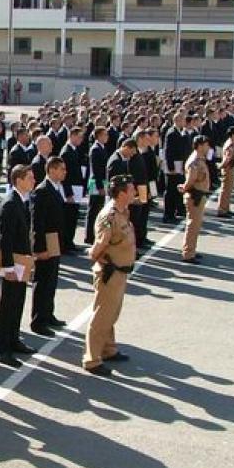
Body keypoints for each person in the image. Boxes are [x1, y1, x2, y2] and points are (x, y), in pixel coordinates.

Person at [83, 174, 136, 377]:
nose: (134, 192)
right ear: (121, 193)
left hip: (120, 271)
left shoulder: (123, 211)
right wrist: (96, 256)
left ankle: (108, 348)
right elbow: (99, 245)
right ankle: (92, 359)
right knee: (101, 317)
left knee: (112, 313)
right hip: (110, 272)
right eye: (131, 189)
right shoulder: (110, 216)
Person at [0, 165, 38, 368]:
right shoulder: (10, 203)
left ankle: (14, 340)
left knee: (18, 301)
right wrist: (8, 267)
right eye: (30, 178)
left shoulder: (21, 201)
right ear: (19, 180)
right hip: (13, 262)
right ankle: (3, 349)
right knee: (8, 305)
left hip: (22, 260)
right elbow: (6, 239)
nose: (33, 181)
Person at [30, 157, 67, 336]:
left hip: (55, 239)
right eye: (61, 169)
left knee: (51, 280)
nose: (64, 172)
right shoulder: (42, 190)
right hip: (46, 241)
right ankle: (38, 320)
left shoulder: (56, 187)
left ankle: (48, 313)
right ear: (51, 170)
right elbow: (38, 222)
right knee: (43, 281)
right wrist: (40, 248)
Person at [180, 136, 212, 264]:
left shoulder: (200, 159)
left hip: (199, 194)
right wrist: (184, 188)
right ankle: (188, 253)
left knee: (196, 225)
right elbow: (191, 180)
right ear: (199, 146)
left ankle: (191, 249)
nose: (208, 147)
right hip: (195, 196)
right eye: (206, 145)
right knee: (193, 225)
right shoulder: (194, 161)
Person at [59, 127, 85, 252]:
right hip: (70, 189)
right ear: (72, 136)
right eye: (79, 137)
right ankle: (65, 244)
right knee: (68, 217)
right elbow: (65, 175)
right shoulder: (66, 152)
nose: (81, 139)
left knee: (73, 216)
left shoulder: (74, 150)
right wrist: (68, 193)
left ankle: (70, 241)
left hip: (76, 188)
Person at [84, 127, 109, 244]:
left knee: (99, 208)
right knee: (93, 209)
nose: (107, 137)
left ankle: (95, 233)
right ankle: (89, 236)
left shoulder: (102, 148)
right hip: (95, 182)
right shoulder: (95, 149)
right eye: (105, 134)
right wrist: (100, 187)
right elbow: (96, 170)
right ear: (99, 136)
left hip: (101, 181)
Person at [217, 126, 234, 218]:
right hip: (228, 169)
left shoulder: (233, 143)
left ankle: (226, 208)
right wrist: (220, 167)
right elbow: (227, 159)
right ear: (233, 135)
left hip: (231, 168)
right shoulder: (230, 145)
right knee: (225, 190)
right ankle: (222, 209)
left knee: (229, 190)